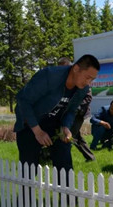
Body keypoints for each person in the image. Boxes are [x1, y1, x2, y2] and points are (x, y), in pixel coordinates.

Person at [14, 54, 100, 185]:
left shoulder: (83, 89)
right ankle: (26, 202)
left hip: (54, 124)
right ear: (76, 68)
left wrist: (66, 127)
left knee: (64, 162)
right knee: (29, 168)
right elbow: (23, 100)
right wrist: (37, 131)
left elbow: (71, 110)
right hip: (30, 122)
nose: (88, 83)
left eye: (92, 79)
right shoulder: (49, 75)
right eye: (87, 77)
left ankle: (68, 201)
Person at [57, 57, 95, 162]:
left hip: (78, 113)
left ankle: (61, 158)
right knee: (76, 136)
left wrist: (75, 106)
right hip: (66, 113)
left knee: (70, 135)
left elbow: (88, 97)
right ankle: (90, 157)